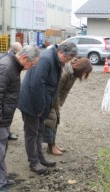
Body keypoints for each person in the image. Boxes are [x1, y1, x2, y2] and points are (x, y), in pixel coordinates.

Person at [0, 45, 40, 192]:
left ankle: (2, 178)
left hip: (2, 117)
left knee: (1, 149)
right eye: (32, 64)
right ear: (25, 58)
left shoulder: (14, 66)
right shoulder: (6, 67)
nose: (31, 67)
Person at [18, 42, 78, 174]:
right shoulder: (47, 59)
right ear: (61, 52)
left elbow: (51, 86)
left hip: (42, 103)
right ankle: (34, 163)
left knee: (39, 131)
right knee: (32, 133)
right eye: (67, 59)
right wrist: (39, 108)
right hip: (31, 103)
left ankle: (40, 158)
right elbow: (37, 84)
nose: (68, 62)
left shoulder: (56, 59)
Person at [43, 57, 93, 155]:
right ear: (82, 68)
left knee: (55, 121)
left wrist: (60, 103)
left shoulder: (74, 74)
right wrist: (56, 106)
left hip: (56, 100)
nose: (85, 75)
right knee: (51, 121)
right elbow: (56, 91)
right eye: (86, 72)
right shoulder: (65, 73)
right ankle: (50, 147)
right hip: (49, 98)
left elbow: (65, 90)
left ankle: (53, 145)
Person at [0, 42, 23, 141]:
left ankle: (6, 131)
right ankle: (1, 132)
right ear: (14, 51)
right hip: (4, 93)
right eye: (20, 52)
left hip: (10, 93)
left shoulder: (12, 60)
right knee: (2, 112)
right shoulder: (4, 60)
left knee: (8, 113)